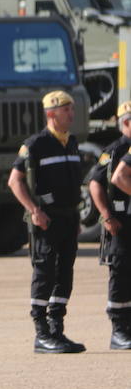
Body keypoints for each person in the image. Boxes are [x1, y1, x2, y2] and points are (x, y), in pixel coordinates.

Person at [8, 90, 85, 354]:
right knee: (45, 273)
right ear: (51, 114)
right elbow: (14, 181)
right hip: (46, 221)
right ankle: (41, 333)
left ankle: (57, 331)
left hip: (68, 217)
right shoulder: (36, 144)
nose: (71, 114)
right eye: (66, 110)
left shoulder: (72, 142)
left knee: (65, 273)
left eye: (72, 109)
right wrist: (34, 211)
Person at [93, 101, 131, 349]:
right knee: (120, 273)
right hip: (120, 221)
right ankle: (118, 330)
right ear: (126, 122)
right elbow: (96, 183)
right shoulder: (115, 150)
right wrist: (107, 216)